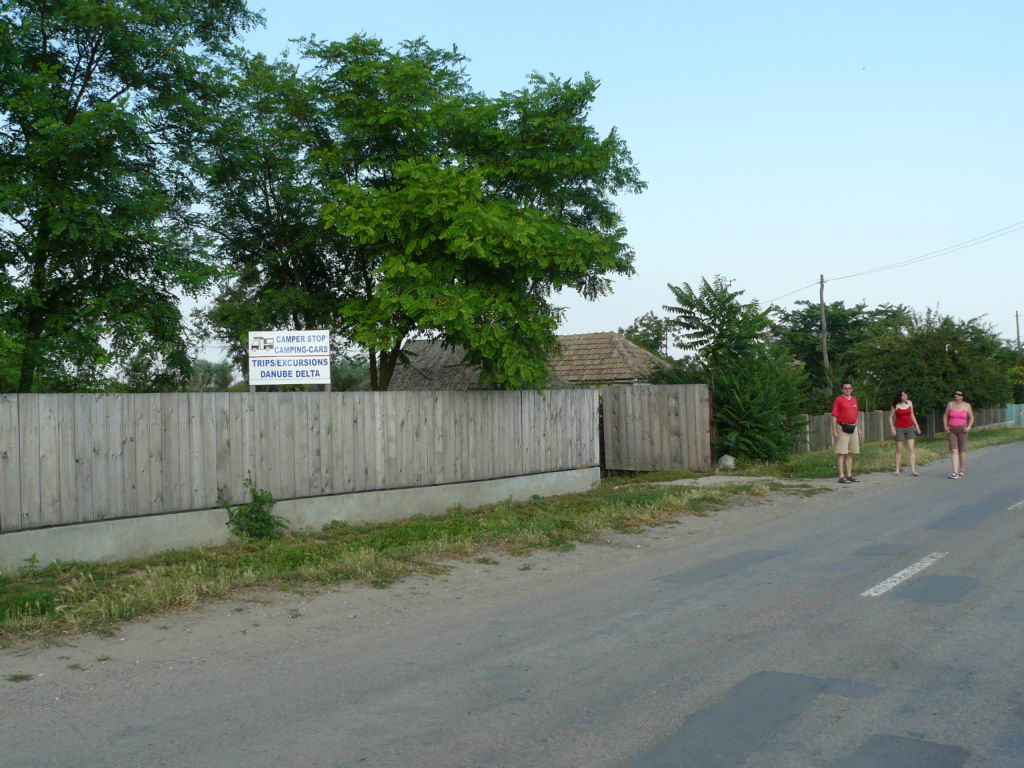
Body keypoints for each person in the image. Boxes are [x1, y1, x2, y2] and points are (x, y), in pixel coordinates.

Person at [831, 380, 863, 484]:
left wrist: (858, 428)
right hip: (842, 428)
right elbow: (834, 416)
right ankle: (841, 476)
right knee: (842, 452)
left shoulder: (854, 399)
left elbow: (856, 415)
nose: (847, 390)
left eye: (849, 388)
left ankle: (849, 475)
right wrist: (834, 430)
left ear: (852, 389)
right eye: (845, 388)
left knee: (850, 453)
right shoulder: (838, 400)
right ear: (842, 389)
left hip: (853, 428)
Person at [943, 388, 975, 478]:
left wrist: (968, 427)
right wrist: (945, 426)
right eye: (955, 393)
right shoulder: (950, 404)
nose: (956, 395)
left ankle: (961, 469)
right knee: (954, 450)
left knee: (962, 451)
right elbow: (945, 416)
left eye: (958, 394)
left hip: (962, 430)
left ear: (962, 396)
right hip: (951, 430)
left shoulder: (967, 405)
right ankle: (955, 472)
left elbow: (972, 417)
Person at [889, 389, 922, 475]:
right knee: (899, 449)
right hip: (899, 428)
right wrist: (892, 428)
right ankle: (897, 469)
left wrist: (917, 426)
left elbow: (912, 415)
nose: (906, 396)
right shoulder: (895, 405)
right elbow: (890, 418)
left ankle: (913, 470)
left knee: (911, 449)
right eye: (904, 395)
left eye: (906, 395)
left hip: (910, 427)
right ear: (900, 397)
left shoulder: (909, 403)